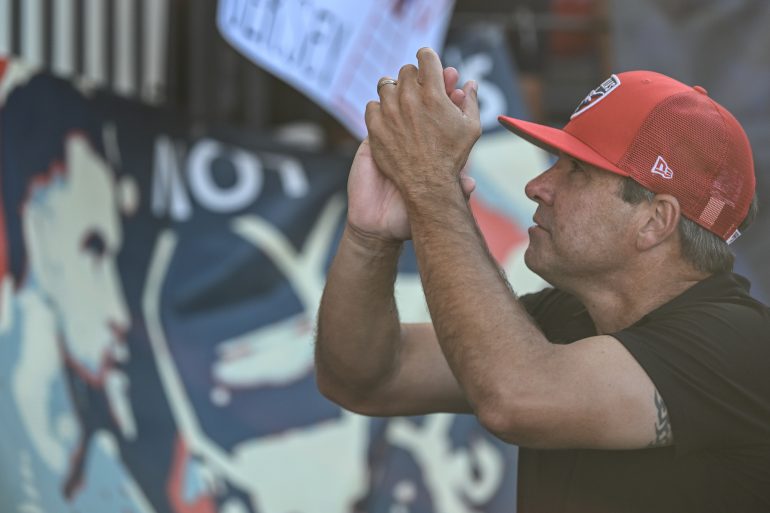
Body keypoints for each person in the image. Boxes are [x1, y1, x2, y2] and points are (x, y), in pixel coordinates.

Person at [314, 47, 770, 512]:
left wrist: (432, 186)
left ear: (655, 221)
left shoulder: (743, 345)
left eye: (577, 170)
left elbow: (516, 398)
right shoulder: (569, 318)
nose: (537, 186)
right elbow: (366, 377)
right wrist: (369, 238)